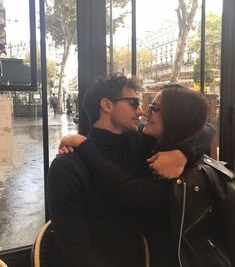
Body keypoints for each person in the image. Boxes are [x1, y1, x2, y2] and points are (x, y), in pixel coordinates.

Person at [48, 74, 214, 267]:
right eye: (134, 103)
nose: (142, 111)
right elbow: (76, 253)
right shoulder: (68, 166)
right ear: (107, 105)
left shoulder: (143, 146)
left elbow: (203, 128)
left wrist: (183, 153)